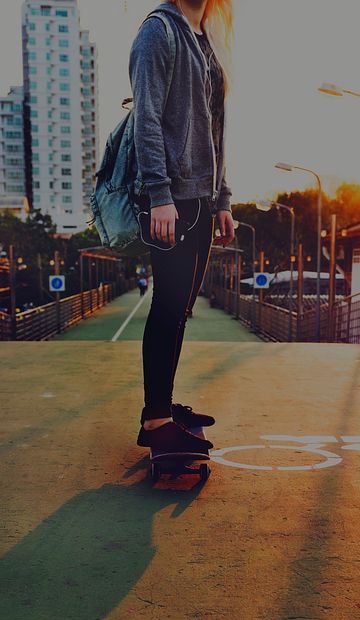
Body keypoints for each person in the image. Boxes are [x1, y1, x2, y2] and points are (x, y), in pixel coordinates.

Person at [130, 0, 236, 454]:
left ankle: (162, 408)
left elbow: (217, 129)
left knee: (181, 310)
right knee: (168, 307)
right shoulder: (159, 31)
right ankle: (156, 419)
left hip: (202, 200)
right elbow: (146, 117)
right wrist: (159, 195)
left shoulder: (207, 41)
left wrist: (224, 199)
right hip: (171, 200)